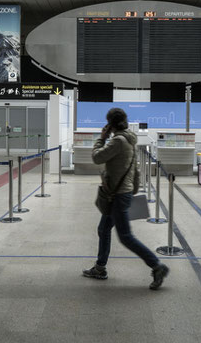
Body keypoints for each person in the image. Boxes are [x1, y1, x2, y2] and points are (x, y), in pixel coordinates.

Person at [82, 108, 169, 290]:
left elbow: (97, 157)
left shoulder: (118, 141)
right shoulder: (130, 139)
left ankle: (157, 266)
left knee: (126, 237)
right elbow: (135, 169)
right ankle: (100, 267)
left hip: (118, 195)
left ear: (111, 124)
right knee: (103, 229)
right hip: (123, 192)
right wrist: (133, 189)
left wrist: (101, 138)